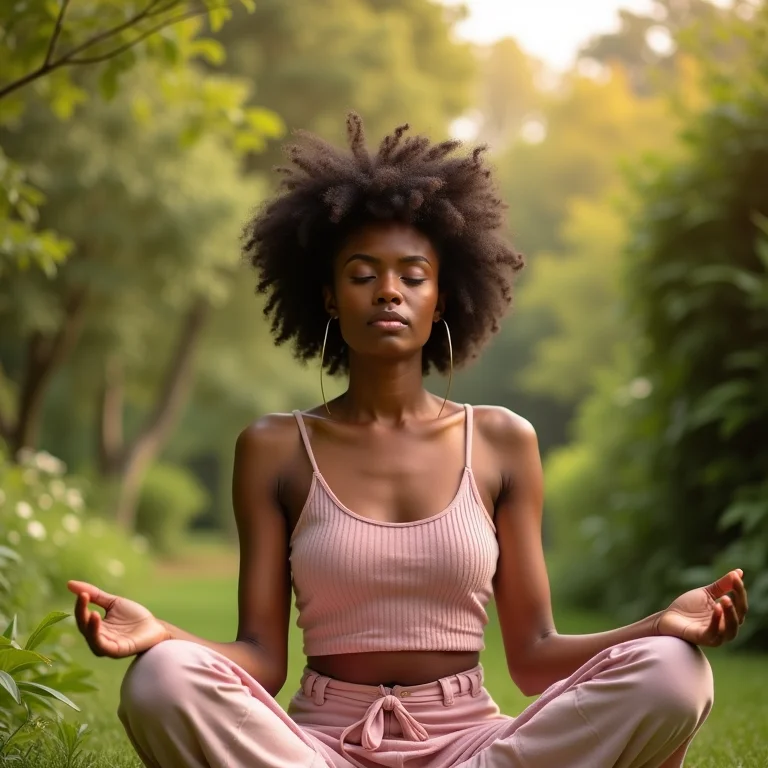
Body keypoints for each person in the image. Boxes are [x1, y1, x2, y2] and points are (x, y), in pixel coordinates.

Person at [68, 114, 748, 768]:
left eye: (411, 276)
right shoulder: (274, 448)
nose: (387, 292)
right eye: (362, 275)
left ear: (442, 299)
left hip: (474, 749)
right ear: (330, 297)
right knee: (161, 680)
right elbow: (261, 661)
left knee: (674, 673)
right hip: (319, 749)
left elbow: (536, 655)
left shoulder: (503, 441)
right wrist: (163, 635)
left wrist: (662, 624)